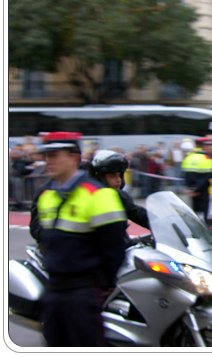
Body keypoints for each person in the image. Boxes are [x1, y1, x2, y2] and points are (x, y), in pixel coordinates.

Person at [29, 132, 126, 347]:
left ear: (73, 158)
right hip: (53, 291)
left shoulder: (99, 195)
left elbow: (113, 248)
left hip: (82, 293)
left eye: (55, 155)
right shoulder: (47, 196)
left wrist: (103, 284)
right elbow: (44, 239)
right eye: (47, 156)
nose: (49, 161)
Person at [89, 150, 149, 241]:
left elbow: (139, 215)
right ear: (100, 176)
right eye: (113, 176)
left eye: (120, 175)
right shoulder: (89, 198)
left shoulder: (120, 197)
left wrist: (162, 223)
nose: (118, 180)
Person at [181, 137, 212, 223]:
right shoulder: (207, 158)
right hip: (202, 190)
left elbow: (186, 174)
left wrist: (191, 188)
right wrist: (197, 189)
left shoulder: (189, 157)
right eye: (211, 146)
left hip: (192, 190)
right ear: (204, 147)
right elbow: (207, 178)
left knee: (195, 211)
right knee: (204, 212)